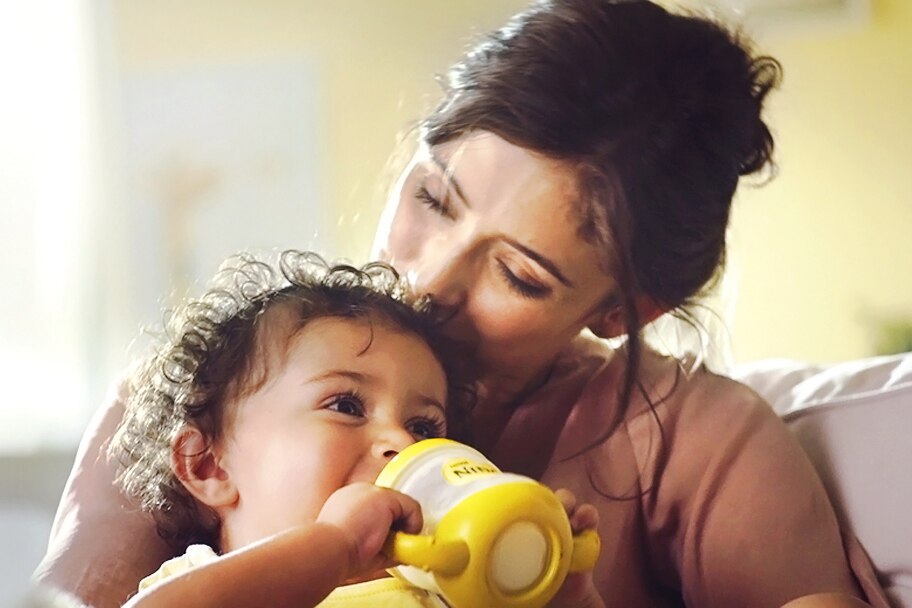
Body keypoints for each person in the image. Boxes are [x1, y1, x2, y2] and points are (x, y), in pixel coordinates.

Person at [34, 1, 889, 607]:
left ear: (626, 310)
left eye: (519, 275)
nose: (426, 281)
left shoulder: (692, 444)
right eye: (433, 200)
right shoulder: (221, 392)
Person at [53, 249, 598, 608]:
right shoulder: (205, 584)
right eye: (345, 404)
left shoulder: (448, 584)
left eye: (424, 427)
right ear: (210, 465)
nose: (402, 443)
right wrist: (332, 546)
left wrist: (560, 585)